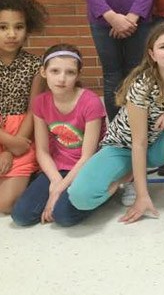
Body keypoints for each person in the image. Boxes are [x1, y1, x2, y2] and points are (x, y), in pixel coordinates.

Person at [68, 21, 164, 223]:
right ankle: (128, 178)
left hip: (157, 147)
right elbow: (138, 142)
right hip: (124, 147)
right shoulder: (143, 85)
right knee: (80, 198)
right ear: (152, 55)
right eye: (163, 46)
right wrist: (143, 197)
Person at [11, 44, 105, 226]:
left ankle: (103, 192)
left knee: (63, 216)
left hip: (86, 166)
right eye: (55, 71)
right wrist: (55, 181)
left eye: (70, 72)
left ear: (78, 75)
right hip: (59, 166)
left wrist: (57, 191)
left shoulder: (91, 103)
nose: (61, 79)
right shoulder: (40, 103)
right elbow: (43, 151)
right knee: (21, 216)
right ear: (44, 72)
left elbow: (87, 156)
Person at [0, 0, 47, 213]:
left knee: (6, 205)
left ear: (28, 30)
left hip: (22, 133)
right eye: (3, 27)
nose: (11, 34)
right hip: (4, 134)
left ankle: (37, 180)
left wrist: (14, 144)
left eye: (18, 27)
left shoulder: (35, 65)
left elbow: (33, 109)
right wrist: (7, 143)